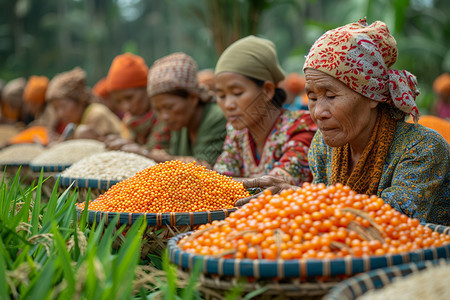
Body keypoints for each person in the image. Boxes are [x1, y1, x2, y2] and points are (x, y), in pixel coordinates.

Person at [242, 19, 450, 226]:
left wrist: (301, 198)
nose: (318, 112)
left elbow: (394, 221)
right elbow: (323, 221)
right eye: (312, 98)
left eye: (331, 96)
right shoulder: (322, 147)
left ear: (371, 96)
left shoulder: (423, 148)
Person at [213, 36, 317, 185]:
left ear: (267, 90)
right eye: (221, 96)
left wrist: (217, 183)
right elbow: (219, 177)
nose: (228, 104)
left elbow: (278, 184)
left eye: (237, 93)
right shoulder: (237, 133)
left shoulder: (300, 127)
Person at [146, 52, 227, 168]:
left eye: (169, 107)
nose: (164, 116)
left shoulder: (217, 118)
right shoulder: (181, 124)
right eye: (158, 110)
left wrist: (146, 154)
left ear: (193, 98)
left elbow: (202, 168)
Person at [104, 53, 169, 153]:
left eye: (129, 98)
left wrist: (141, 151)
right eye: (118, 101)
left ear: (147, 89)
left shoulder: (166, 116)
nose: (126, 107)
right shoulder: (128, 122)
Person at [46, 67, 125, 141]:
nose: (59, 114)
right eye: (56, 109)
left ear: (79, 100)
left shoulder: (96, 114)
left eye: (63, 106)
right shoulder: (77, 122)